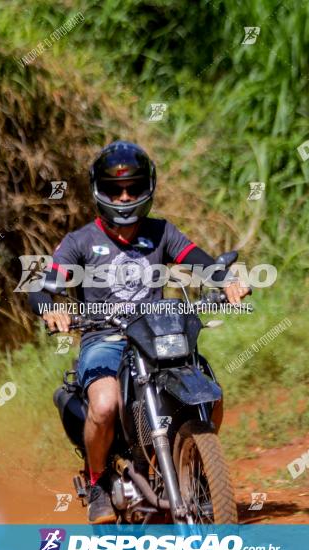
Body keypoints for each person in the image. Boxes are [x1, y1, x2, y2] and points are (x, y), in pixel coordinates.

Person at [28, 141, 250, 523]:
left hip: (156, 334)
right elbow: (44, 285)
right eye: (116, 190)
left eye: (132, 187)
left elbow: (199, 261)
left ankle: (192, 467)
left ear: (147, 187)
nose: (125, 196)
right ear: (100, 191)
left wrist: (227, 281)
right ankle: (97, 482)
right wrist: (51, 309)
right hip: (105, 339)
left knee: (211, 396)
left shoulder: (161, 232)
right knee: (103, 405)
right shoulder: (81, 241)